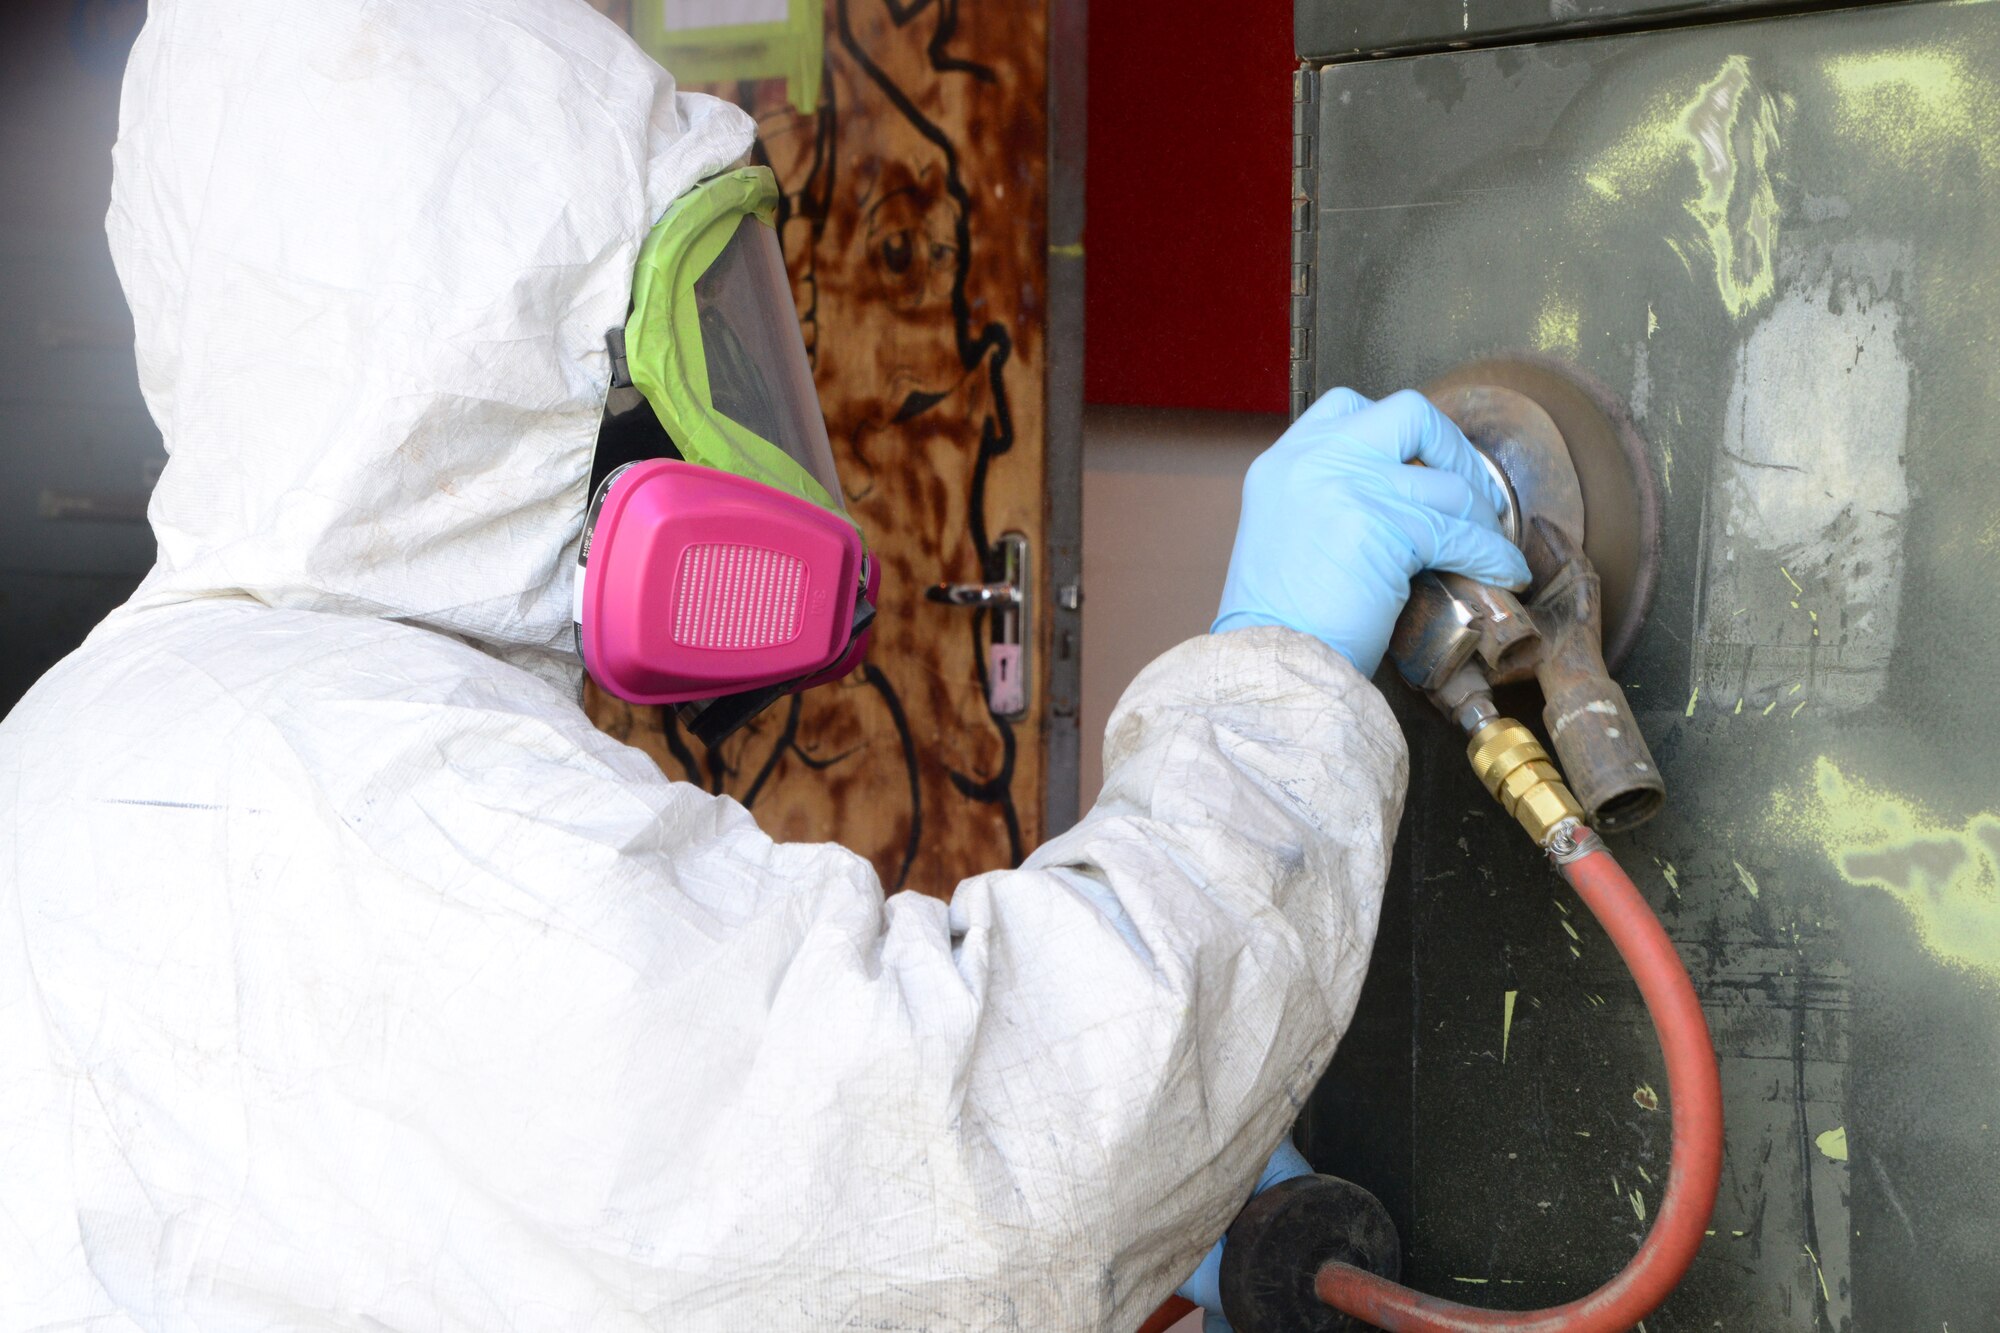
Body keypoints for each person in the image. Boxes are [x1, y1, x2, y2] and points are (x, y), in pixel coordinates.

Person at [0, 2, 1528, 1330]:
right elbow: (968, 1170)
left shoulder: (123, 727)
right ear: (499, 369)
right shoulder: (380, 796)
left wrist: (1174, 1183)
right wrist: (1273, 682)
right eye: (696, 346)